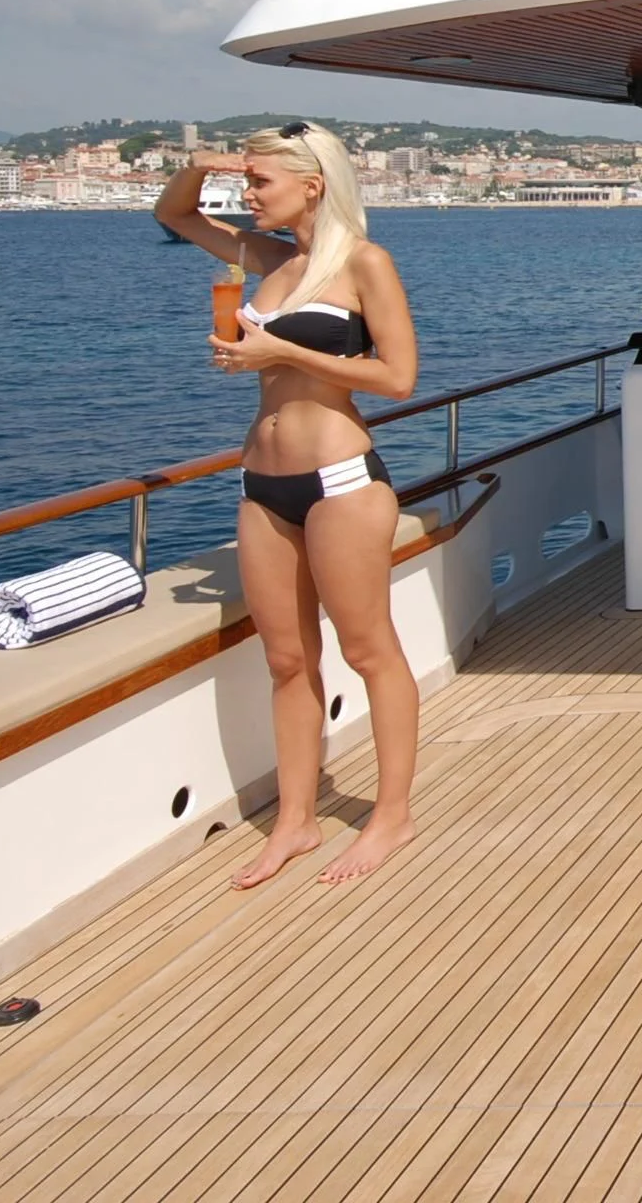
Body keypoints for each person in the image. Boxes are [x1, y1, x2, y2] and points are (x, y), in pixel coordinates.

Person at [157, 124, 421, 885]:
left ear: (313, 185)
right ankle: (297, 822)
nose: (248, 195)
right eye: (245, 181)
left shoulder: (365, 264)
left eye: (260, 182)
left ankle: (391, 816)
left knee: (368, 651)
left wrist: (283, 351)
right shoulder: (268, 259)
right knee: (285, 660)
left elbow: (398, 378)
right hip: (262, 483)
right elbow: (174, 216)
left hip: (340, 481)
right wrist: (199, 165)